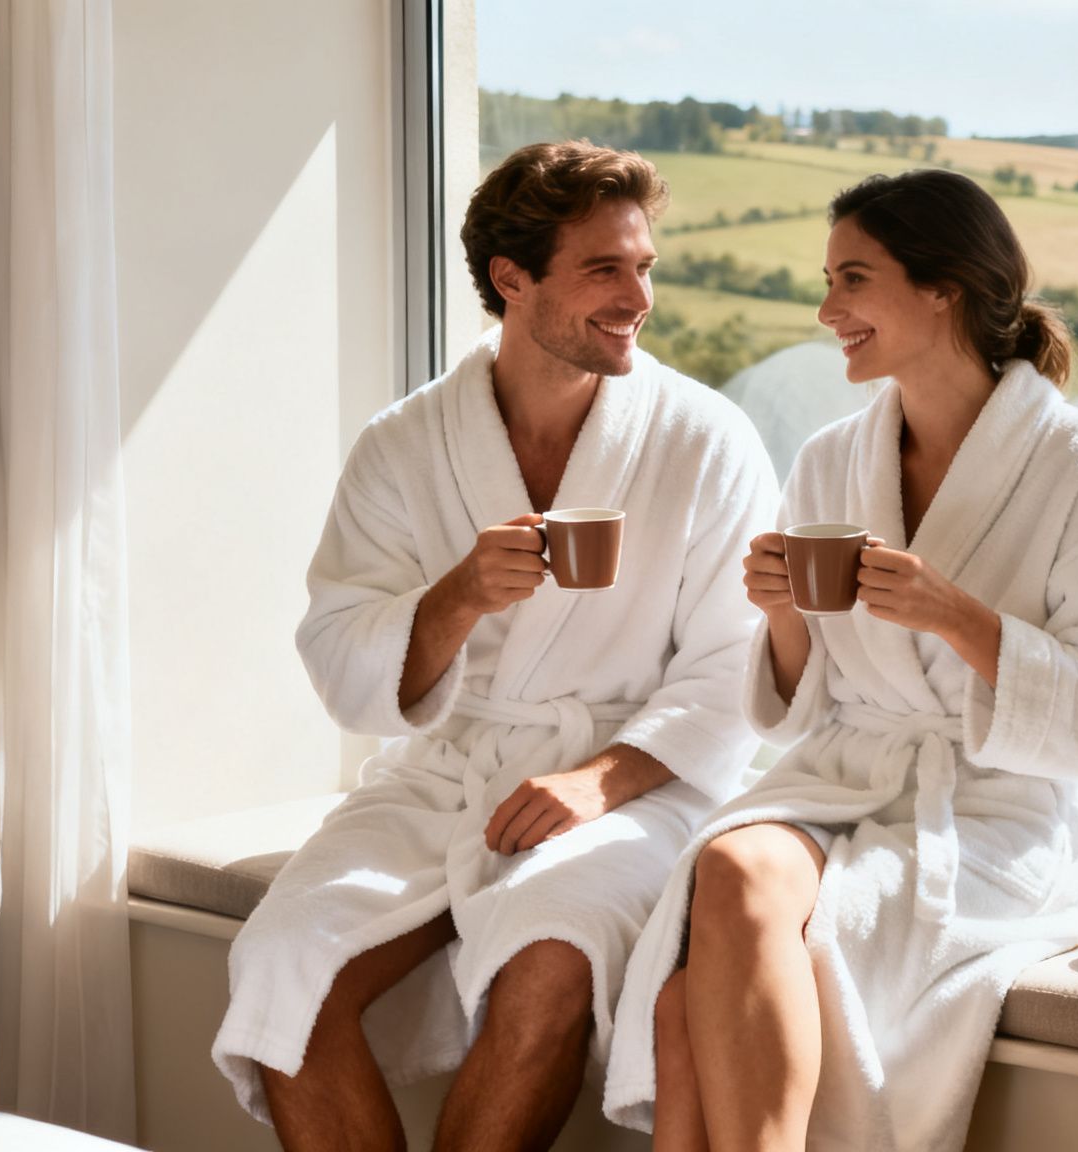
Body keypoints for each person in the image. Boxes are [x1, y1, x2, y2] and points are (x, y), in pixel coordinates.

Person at [212, 141, 779, 1152]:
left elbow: (735, 666)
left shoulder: (705, 438)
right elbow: (341, 649)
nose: (635, 296)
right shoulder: (404, 444)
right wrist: (457, 598)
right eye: (602, 269)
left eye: (643, 265)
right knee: (282, 964)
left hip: (638, 780)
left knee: (551, 953)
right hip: (450, 767)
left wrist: (596, 781)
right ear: (510, 280)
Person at [603, 168, 1078, 1151]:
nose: (827, 310)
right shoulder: (831, 457)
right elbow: (797, 701)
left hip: (995, 815)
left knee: (679, 1013)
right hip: (840, 783)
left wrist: (960, 619)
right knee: (734, 868)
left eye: (852, 280)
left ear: (941, 286)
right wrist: (781, 614)